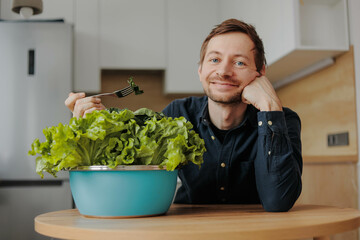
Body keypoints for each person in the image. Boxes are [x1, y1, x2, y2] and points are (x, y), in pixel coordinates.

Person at [65, 19, 302, 212]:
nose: (223, 71)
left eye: (239, 62)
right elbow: (131, 160)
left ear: (260, 73)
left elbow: (278, 201)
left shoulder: (283, 120)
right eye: (215, 59)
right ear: (200, 70)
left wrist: (270, 106)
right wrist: (98, 127)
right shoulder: (177, 116)